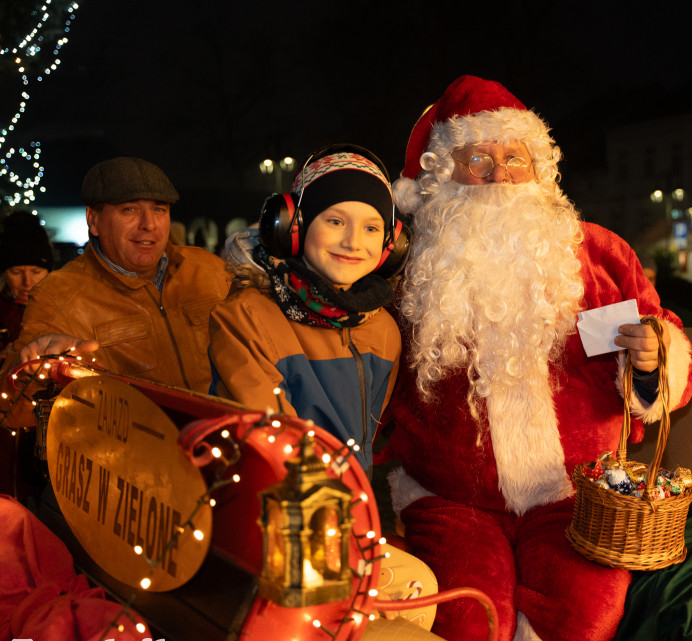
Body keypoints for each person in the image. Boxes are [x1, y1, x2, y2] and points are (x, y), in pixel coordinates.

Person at [381, 75, 692, 641]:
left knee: (580, 620)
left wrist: (654, 362)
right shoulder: (409, 276)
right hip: (453, 501)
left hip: (575, 494)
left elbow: (650, 352)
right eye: (478, 159)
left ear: (539, 167)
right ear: (442, 174)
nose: (500, 174)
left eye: (513, 157)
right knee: (469, 631)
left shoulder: (594, 257)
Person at [209, 146, 404, 474]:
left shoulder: (383, 330)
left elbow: (366, 439)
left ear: (391, 244)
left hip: (347, 508)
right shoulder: (246, 318)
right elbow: (270, 442)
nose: (353, 242)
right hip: (271, 502)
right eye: (335, 221)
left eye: (371, 228)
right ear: (293, 227)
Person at [1, 157, 231, 406]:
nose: (149, 224)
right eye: (129, 209)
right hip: (133, 445)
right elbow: (13, 409)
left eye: (159, 209)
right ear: (93, 220)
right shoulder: (56, 296)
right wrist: (36, 371)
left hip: (225, 438)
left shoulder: (210, 269)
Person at [0, 212, 54, 351]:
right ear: (4, 274)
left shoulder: (68, 308)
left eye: (36, 272)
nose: (27, 282)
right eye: (16, 272)